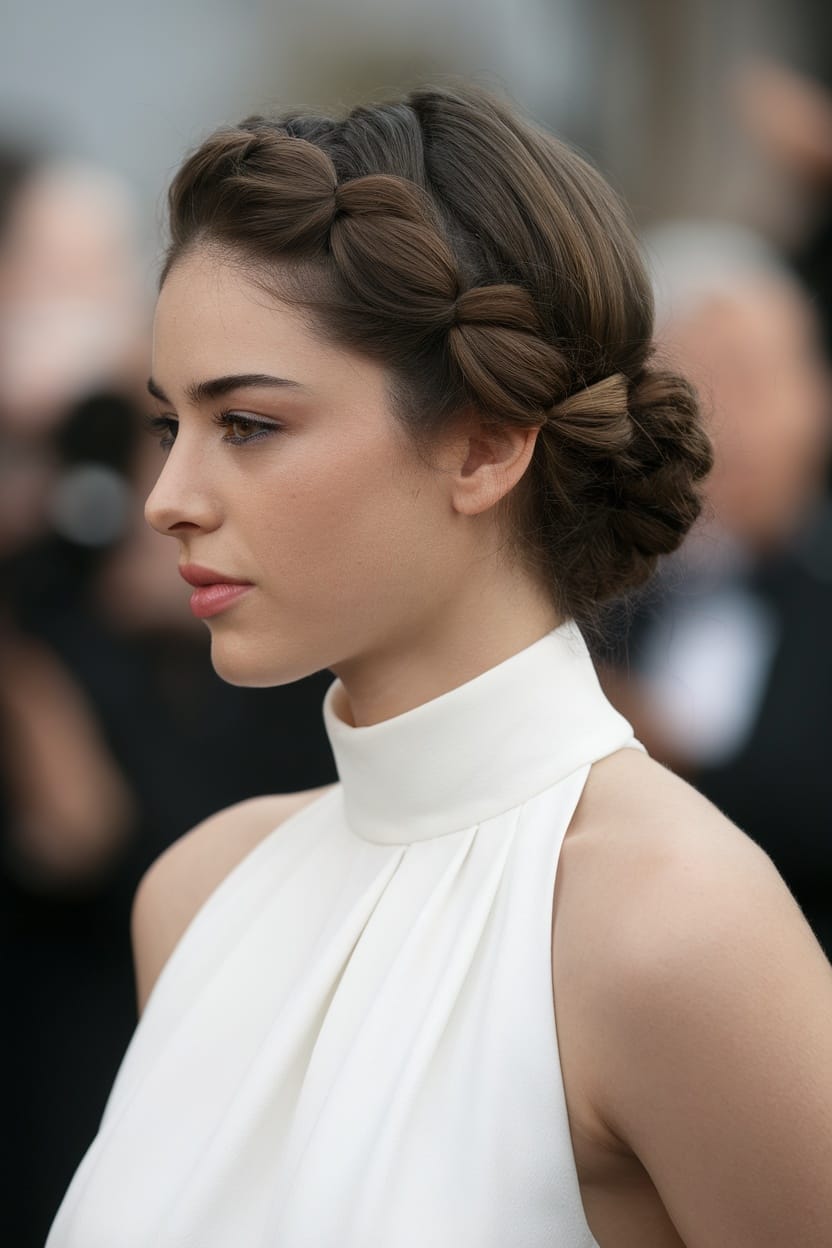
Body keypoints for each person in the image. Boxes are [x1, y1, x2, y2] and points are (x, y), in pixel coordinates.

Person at [45, 84, 832, 1248]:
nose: (169, 500)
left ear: (484, 442)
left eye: (248, 424)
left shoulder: (673, 928)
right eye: (170, 426)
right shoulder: (198, 895)